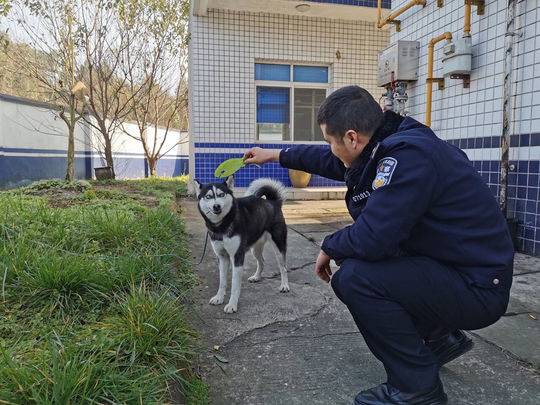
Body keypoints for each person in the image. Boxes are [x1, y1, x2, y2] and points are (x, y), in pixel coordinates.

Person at [243, 85, 514, 405]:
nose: (329, 148)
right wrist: (273, 154)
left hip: (477, 288)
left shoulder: (406, 159)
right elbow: (328, 160)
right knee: (366, 263)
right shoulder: (385, 141)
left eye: (330, 140)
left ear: (352, 137)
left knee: (356, 277)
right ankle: (439, 340)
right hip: (456, 270)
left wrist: (330, 245)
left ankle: (416, 388)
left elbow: (374, 237)